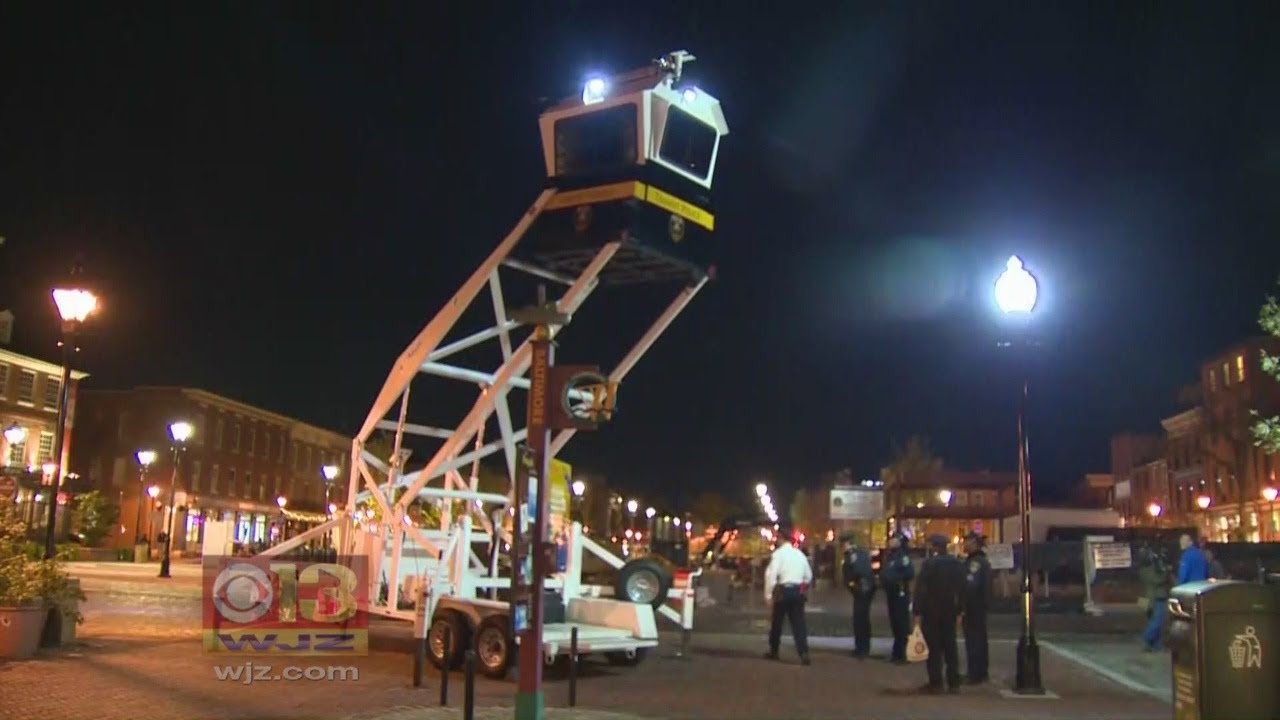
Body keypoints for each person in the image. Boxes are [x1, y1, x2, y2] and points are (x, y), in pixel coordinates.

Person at [912, 534, 966, 694]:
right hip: (950, 609)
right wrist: (960, 610)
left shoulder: (930, 564)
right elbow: (962, 588)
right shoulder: (956, 564)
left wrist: (917, 611)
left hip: (932, 610)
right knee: (950, 646)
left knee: (934, 647)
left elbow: (921, 589)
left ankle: (936, 682)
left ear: (934, 546)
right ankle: (954, 682)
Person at [763, 528, 813, 665]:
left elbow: (771, 576)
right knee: (799, 623)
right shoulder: (800, 555)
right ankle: (803, 652)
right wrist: (802, 586)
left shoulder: (778, 555)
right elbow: (808, 576)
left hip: (782, 591)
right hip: (797, 592)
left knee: (777, 622)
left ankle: (774, 650)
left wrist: (768, 595)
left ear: (780, 539)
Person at [880, 531, 915, 664]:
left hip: (900, 593)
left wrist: (894, 579)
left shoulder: (903, 557)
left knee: (902, 624)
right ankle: (896, 653)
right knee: (894, 623)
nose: (890, 541)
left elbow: (909, 573)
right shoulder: (890, 556)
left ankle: (903, 654)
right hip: (891, 593)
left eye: (893, 539)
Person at [961, 531, 991, 684]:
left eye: (967, 542)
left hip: (974, 605)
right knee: (977, 638)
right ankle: (979, 672)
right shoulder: (976, 561)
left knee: (974, 640)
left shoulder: (976, 562)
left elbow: (971, 584)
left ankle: (976, 673)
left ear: (974, 543)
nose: (964, 545)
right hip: (976, 605)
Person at [843, 540, 877, 658]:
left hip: (862, 588)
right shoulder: (860, 553)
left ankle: (862, 648)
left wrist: (851, 581)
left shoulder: (854, 555)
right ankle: (861, 647)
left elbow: (856, 571)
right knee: (861, 618)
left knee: (860, 618)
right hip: (864, 588)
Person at [1138, 545, 1172, 651]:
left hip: (1156, 597)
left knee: (1157, 620)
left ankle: (1156, 645)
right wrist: (1165, 572)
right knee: (1158, 621)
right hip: (1155, 598)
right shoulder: (1145, 570)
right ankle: (1146, 637)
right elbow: (1158, 580)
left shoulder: (1149, 569)